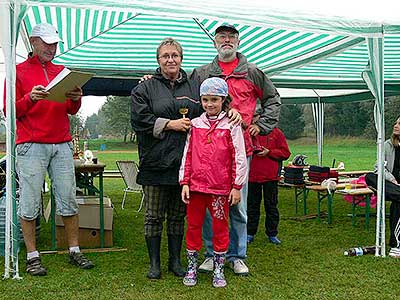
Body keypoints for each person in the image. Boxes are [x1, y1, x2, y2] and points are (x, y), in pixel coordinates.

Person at [3, 23, 93, 276]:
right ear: (33, 42)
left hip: (62, 142)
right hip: (30, 144)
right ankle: (32, 255)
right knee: (30, 201)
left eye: (54, 44)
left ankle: (74, 250)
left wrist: (76, 98)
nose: (51, 48)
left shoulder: (62, 71)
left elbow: (71, 110)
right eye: (47, 43)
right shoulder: (17, 72)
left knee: (68, 197)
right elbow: (9, 112)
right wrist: (29, 98)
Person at [191, 24, 281, 275]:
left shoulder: (252, 72)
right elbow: (183, 97)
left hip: (241, 148)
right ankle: (211, 253)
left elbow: (273, 99)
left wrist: (260, 125)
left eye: (231, 37)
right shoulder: (202, 73)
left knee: (237, 204)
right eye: (222, 37)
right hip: (209, 149)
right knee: (210, 203)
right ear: (215, 42)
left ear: (238, 42)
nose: (227, 40)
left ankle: (237, 255)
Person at [131, 38, 203, 279]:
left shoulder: (195, 86)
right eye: (165, 56)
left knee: (177, 216)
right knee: (153, 216)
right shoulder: (144, 88)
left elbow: (212, 108)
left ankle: (175, 261)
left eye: (175, 55)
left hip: (184, 163)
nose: (170, 60)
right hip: (155, 161)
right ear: (158, 60)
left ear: (181, 58)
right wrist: (169, 124)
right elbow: (139, 120)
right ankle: (154, 263)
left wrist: (231, 109)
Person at [179, 77, 247, 288]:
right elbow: (187, 154)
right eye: (206, 99)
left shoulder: (231, 125)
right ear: (201, 100)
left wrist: (237, 186)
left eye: (214, 100)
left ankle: (219, 268)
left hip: (220, 188)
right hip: (196, 187)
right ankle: (192, 267)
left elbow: (239, 156)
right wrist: (185, 182)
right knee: (193, 227)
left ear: (223, 99)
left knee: (220, 228)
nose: (210, 104)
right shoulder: (195, 125)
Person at [247, 116, 291, 245]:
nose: (254, 119)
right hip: (252, 176)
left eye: (257, 116)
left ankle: (272, 233)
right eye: (253, 116)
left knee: (271, 206)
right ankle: (250, 233)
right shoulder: (247, 132)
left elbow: (285, 153)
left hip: (270, 177)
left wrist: (269, 152)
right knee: (252, 206)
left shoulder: (276, 132)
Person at [365, 116, 400, 258]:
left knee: (398, 203)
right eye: (396, 122)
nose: (396, 125)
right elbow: (378, 167)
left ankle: (396, 244)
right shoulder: (387, 145)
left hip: (395, 191)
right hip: (392, 185)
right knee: (370, 177)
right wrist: (392, 179)